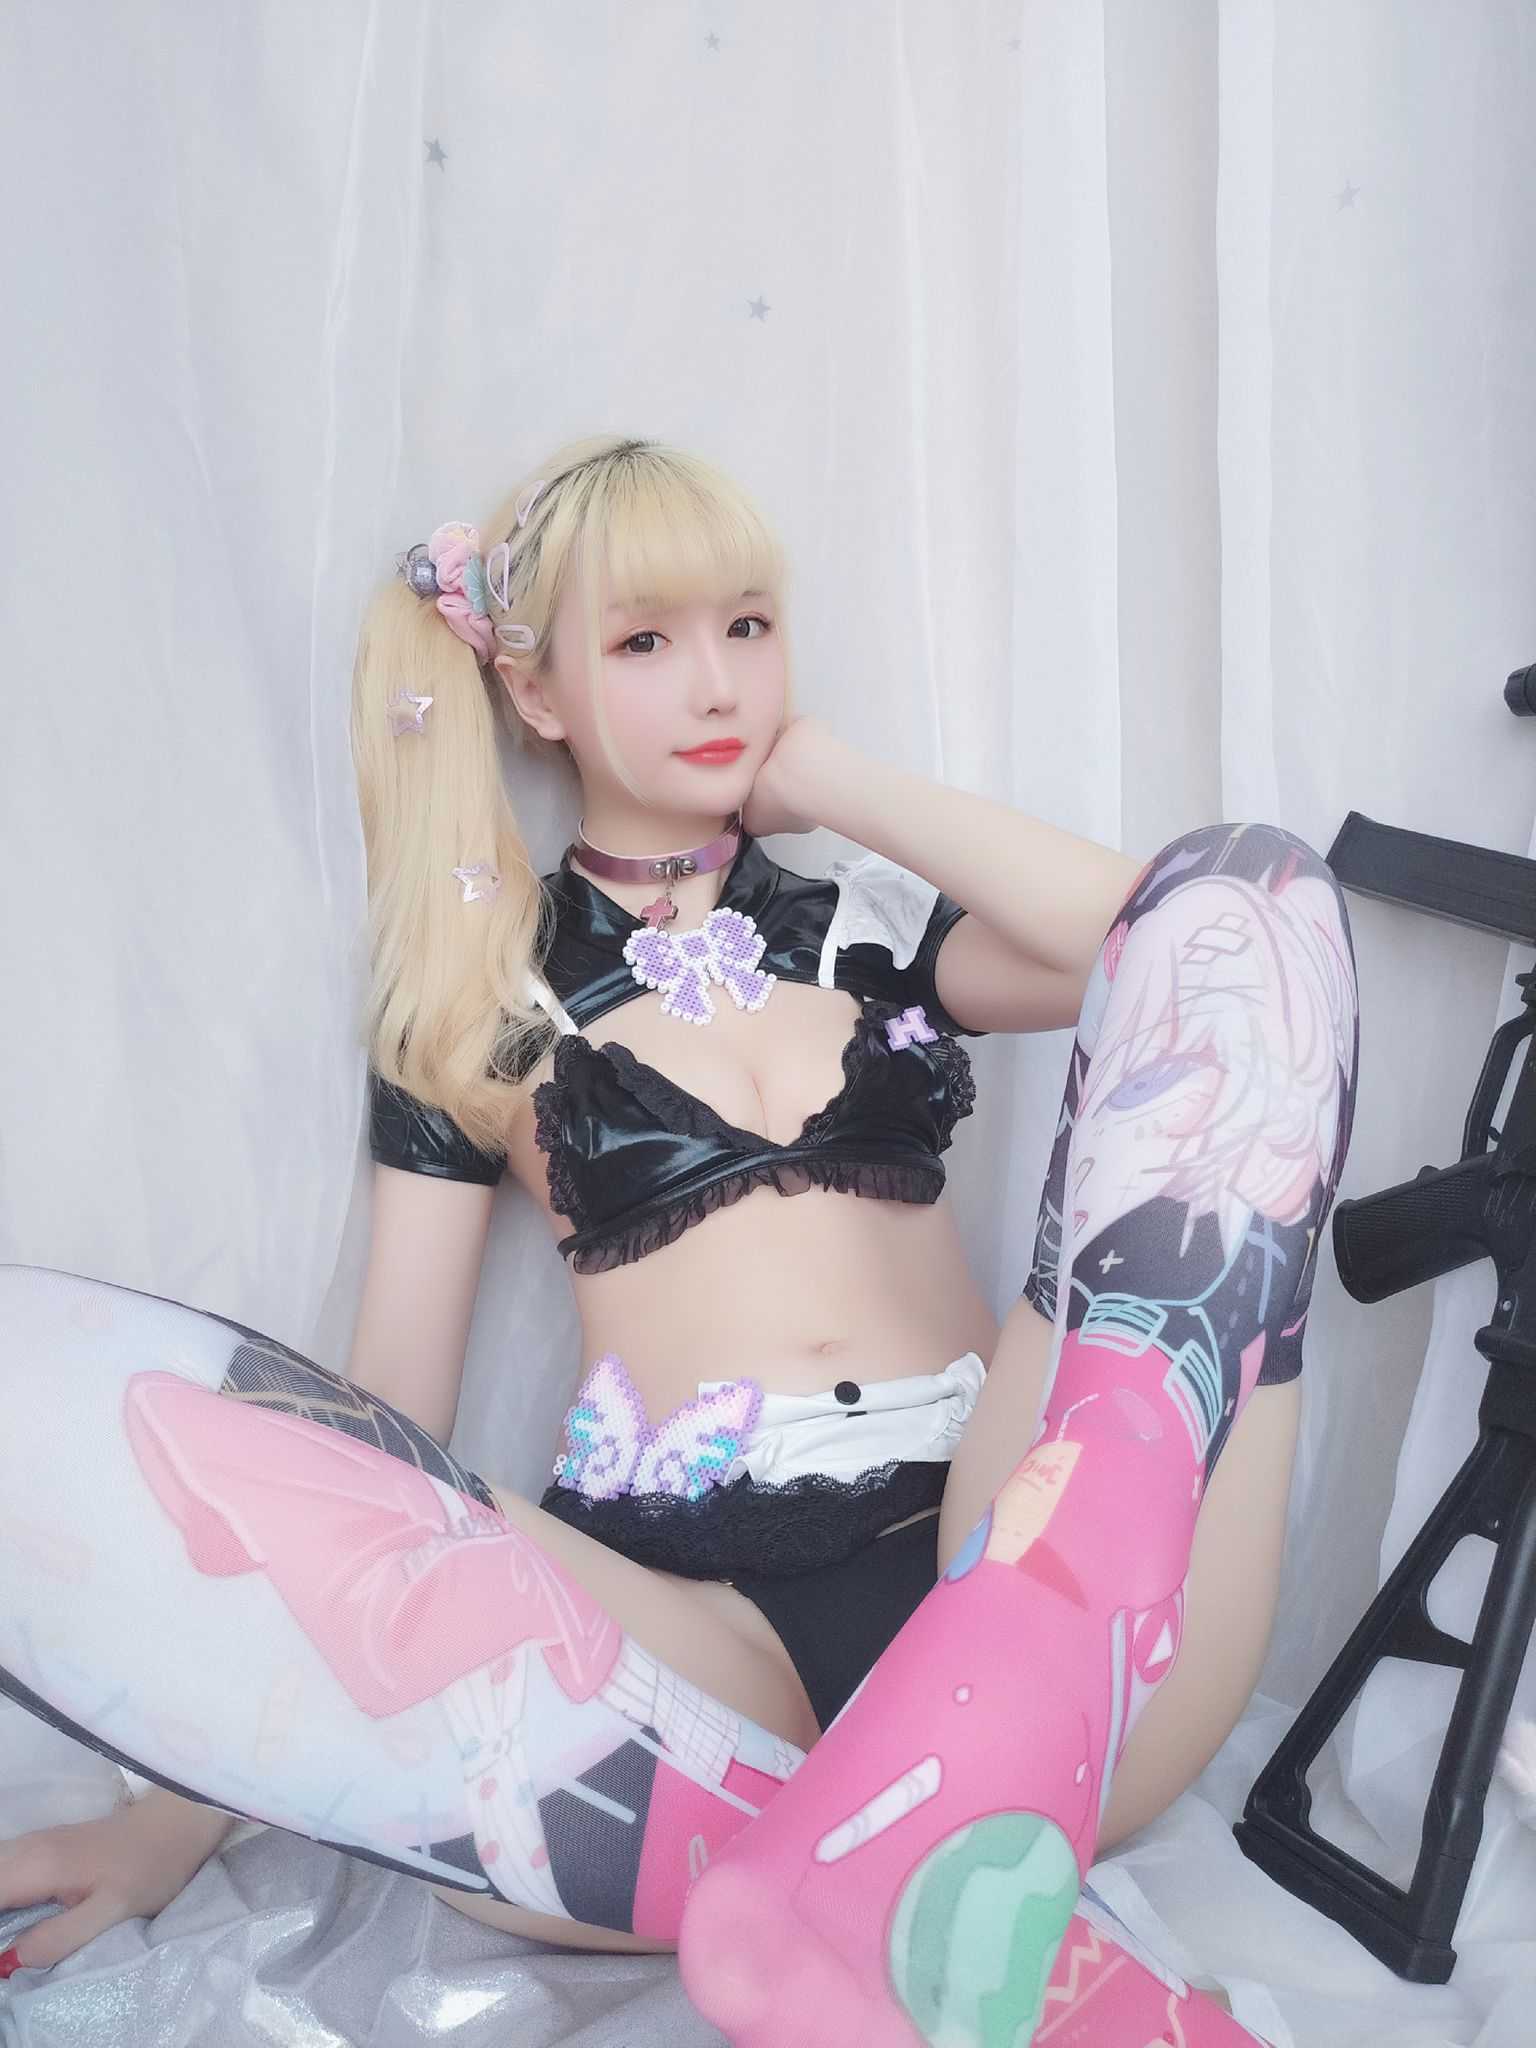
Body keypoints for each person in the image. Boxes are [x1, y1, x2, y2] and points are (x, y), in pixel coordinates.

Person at [0, 434, 1359, 2043]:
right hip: (705, 1660)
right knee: (183, 1435)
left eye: (748, 626)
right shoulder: (475, 999)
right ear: (537, 693)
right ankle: (908, 1871)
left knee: (1264, 908)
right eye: (646, 640)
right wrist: (175, 1820)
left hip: (1012, 1543)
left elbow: (1185, 940)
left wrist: (836, 784)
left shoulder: (863, 922)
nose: (717, 682)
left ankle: (964, 1750)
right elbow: (383, 1420)